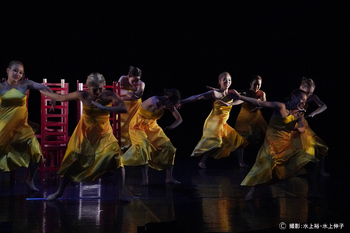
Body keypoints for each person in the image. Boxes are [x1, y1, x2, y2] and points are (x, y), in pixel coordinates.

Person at [42, 72, 129, 201]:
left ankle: (121, 194)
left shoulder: (108, 95)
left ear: (103, 86)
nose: (98, 91)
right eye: (95, 89)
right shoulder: (82, 94)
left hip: (103, 133)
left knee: (117, 159)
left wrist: (105, 108)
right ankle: (59, 192)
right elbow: (61, 97)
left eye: (100, 88)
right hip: (84, 133)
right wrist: (43, 91)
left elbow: (124, 108)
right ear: (88, 87)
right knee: (71, 160)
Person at [231, 89, 319, 201]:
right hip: (272, 144)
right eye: (301, 98)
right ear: (293, 96)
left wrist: (296, 128)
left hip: (286, 145)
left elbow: (302, 128)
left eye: (305, 100)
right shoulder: (281, 106)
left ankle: (312, 191)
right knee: (267, 167)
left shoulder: (298, 113)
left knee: (313, 162)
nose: (303, 101)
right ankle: (252, 190)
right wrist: (240, 97)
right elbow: (260, 103)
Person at [0, 60, 56, 191]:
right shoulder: (1, 87)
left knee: (36, 151)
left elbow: (41, 86)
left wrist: (53, 95)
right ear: (8, 71)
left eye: (20, 72)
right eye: (15, 70)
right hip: (3, 127)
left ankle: (29, 179)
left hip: (20, 128)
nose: (17, 74)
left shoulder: (25, 84)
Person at [179, 72, 248, 169]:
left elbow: (241, 99)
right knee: (216, 141)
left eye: (229, 80)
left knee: (239, 141)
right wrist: (181, 102)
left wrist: (229, 104)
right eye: (224, 80)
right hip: (214, 122)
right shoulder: (214, 93)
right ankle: (202, 161)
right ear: (219, 81)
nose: (227, 82)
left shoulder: (232, 93)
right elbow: (198, 97)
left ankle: (241, 163)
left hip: (223, 123)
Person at [121, 88, 182, 185]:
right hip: (137, 126)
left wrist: (171, 127)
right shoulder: (154, 100)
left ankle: (169, 178)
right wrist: (162, 105)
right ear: (167, 98)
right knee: (144, 147)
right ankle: (145, 179)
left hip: (152, 127)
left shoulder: (168, 104)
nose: (173, 106)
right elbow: (154, 102)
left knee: (169, 148)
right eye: (173, 103)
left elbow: (179, 119)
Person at [291, 77, 329, 176]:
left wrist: (313, 114)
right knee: (296, 148)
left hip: (304, 125)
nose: (308, 95)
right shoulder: (296, 96)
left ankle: (321, 170)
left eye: (310, 93)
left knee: (320, 146)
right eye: (307, 92)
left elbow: (324, 106)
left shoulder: (311, 97)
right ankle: (293, 171)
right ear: (300, 88)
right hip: (294, 125)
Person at [234, 75, 268, 168]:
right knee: (241, 138)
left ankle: (264, 159)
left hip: (256, 118)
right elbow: (238, 98)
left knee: (265, 136)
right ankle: (241, 162)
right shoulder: (246, 92)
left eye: (259, 85)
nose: (257, 87)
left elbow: (263, 104)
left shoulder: (261, 93)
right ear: (250, 84)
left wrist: (257, 107)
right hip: (244, 117)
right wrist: (230, 103)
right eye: (255, 84)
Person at [118, 66, 145, 151]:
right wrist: (127, 93)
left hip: (134, 107)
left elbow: (137, 96)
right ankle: (120, 146)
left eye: (137, 80)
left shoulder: (141, 84)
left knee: (132, 125)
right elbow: (116, 92)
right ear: (128, 76)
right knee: (121, 125)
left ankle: (131, 148)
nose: (135, 82)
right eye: (133, 80)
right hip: (124, 106)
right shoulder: (123, 79)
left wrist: (124, 96)